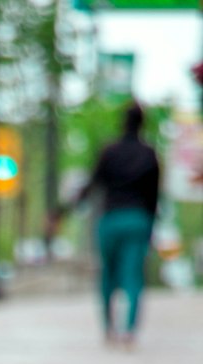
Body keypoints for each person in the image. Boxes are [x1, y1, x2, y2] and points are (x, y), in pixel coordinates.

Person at [68, 101, 160, 347]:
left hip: (111, 218)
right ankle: (129, 331)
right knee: (133, 276)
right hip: (138, 219)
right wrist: (150, 224)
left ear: (123, 122)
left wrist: (70, 205)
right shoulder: (149, 154)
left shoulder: (109, 151)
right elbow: (154, 195)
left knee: (107, 273)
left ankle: (109, 328)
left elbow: (93, 183)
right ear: (143, 124)